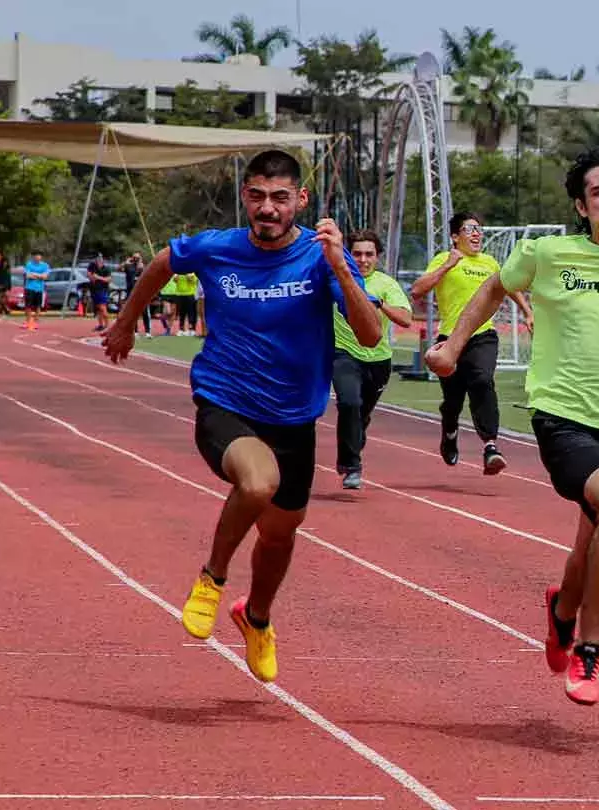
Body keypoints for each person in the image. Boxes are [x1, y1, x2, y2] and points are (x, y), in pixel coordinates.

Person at [424, 144, 599, 706]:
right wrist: (453, 346)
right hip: (564, 416)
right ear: (581, 205)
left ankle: (561, 610)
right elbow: (494, 288)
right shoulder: (546, 253)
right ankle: (590, 648)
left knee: (593, 536)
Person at [102, 149, 382, 683]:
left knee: (279, 537)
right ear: (244, 198)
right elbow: (163, 263)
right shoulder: (216, 248)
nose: (268, 208)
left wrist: (341, 267)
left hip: (295, 417)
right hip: (225, 401)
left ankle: (256, 617)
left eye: (280, 197)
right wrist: (126, 322)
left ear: (300, 200)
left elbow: (369, 336)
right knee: (258, 484)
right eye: (257, 196)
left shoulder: (319, 260)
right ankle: (211, 578)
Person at [411, 213, 533, 475]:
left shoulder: (489, 262)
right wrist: (447, 266)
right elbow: (418, 290)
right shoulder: (444, 259)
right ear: (455, 236)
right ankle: (450, 432)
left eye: (479, 229)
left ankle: (491, 446)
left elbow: (508, 285)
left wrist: (526, 311)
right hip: (450, 339)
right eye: (469, 229)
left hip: (482, 336)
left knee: (482, 380)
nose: (477, 234)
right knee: (453, 399)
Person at [333, 230, 413, 489]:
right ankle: (352, 466)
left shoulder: (386, 284)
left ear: (377, 257)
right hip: (343, 352)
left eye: (369, 254)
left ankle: (354, 439)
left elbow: (405, 319)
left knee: (360, 414)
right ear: (348, 255)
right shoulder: (339, 280)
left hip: (378, 360)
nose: (363, 260)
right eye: (357, 254)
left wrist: (378, 305)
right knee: (349, 403)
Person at [22, 252, 49, 331]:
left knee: (38, 306)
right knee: (28, 305)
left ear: (41, 257)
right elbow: (27, 275)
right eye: (36, 256)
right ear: (33, 257)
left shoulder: (45, 265)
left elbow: (45, 277)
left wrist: (34, 274)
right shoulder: (29, 264)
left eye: (39, 255)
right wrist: (39, 275)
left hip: (39, 288)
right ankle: (28, 321)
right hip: (29, 288)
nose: (37, 257)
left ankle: (36, 322)